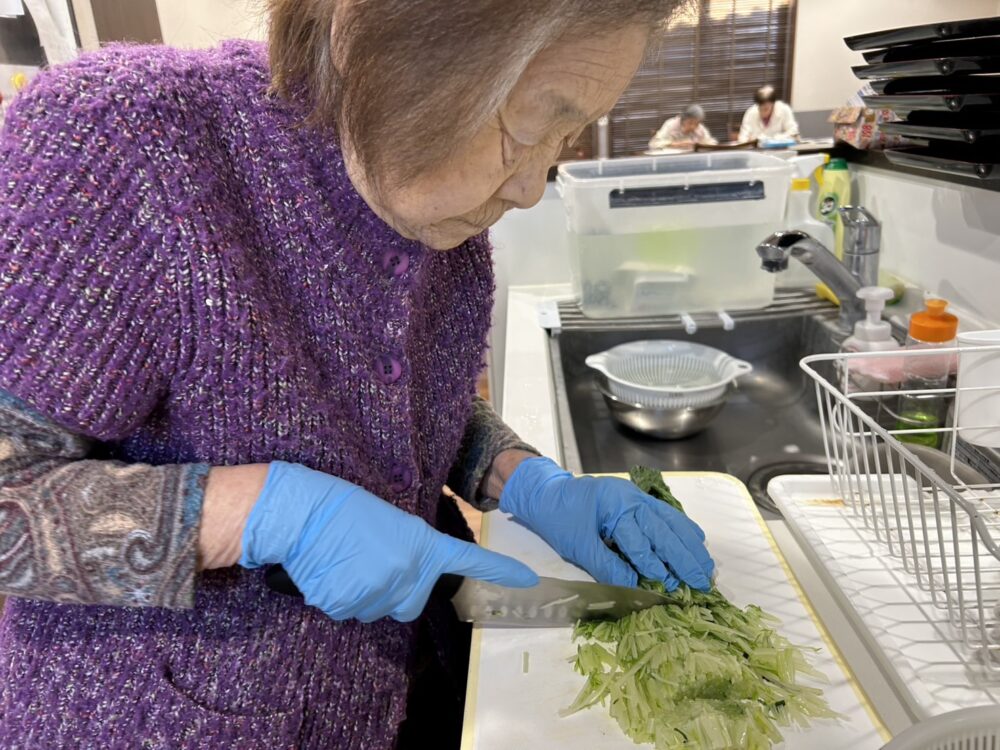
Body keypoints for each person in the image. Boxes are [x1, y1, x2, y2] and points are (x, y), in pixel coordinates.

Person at [0, 1, 715, 748]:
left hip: (418, 678)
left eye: (567, 140)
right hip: (175, 719)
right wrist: (259, 516)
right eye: (527, 130)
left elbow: (387, 405)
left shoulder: (435, 207)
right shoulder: (125, 141)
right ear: (370, 39)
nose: (532, 187)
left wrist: (521, 480)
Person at [648, 103, 717, 149]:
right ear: (683, 119)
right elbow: (653, 144)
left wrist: (699, 145)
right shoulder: (670, 125)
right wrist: (676, 144)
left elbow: (712, 144)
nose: (693, 127)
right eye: (690, 123)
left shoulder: (700, 128)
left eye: (696, 124)